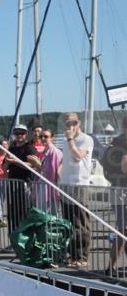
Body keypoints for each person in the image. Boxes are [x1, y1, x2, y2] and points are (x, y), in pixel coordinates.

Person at [59, 112, 94, 268]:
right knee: (68, 222)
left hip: (79, 184)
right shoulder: (66, 141)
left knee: (80, 221)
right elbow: (64, 161)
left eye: (73, 123)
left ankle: (82, 256)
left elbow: (78, 156)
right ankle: (72, 254)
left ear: (79, 123)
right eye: (68, 124)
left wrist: (70, 139)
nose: (71, 126)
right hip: (66, 184)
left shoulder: (85, 139)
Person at [106, 114, 127, 275]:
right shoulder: (123, 142)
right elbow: (125, 165)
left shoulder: (115, 142)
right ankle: (111, 267)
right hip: (122, 190)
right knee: (123, 230)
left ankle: (112, 266)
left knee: (123, 229)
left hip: (115, 188)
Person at [2, 124, 34, 231]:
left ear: (26, 135)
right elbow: (4, 167)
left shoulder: (29, 148)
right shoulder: (12, 149)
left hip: (25, 183)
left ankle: (24, 237)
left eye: (22, 133)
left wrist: (15, 161)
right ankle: (13, 236)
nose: (19, 135)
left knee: (24, 211)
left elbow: (32, 166)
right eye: (17, 133)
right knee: (13, 212)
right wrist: (7, 161)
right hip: (12, 184)